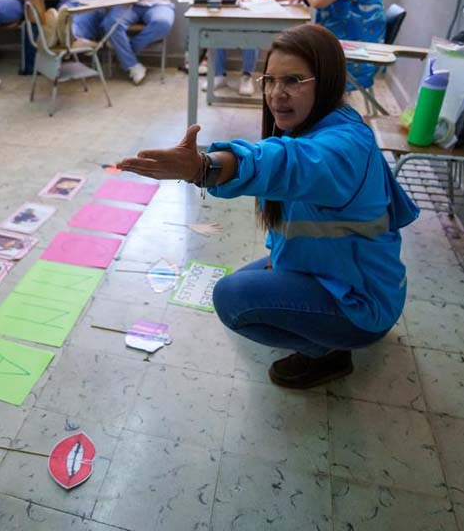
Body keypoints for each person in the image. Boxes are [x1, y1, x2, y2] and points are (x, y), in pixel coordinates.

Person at [116, 24, 418, 389]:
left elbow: (281, 162)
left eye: (293, 81)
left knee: (233, 299)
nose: (277, 94)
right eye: (269, 80)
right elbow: (291, 198)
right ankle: (327, 331)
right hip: (340, 275)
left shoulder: (342, 145)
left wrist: (204, 167)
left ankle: (329, 353)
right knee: (244, 284)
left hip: (363, 302)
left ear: (326, 81)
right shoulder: (315, 125)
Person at [202, 0, 265, 96]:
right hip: (231, 7)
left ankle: (246, 76)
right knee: (217, 27)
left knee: (250, 32)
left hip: (253, 9)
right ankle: (219, 75)